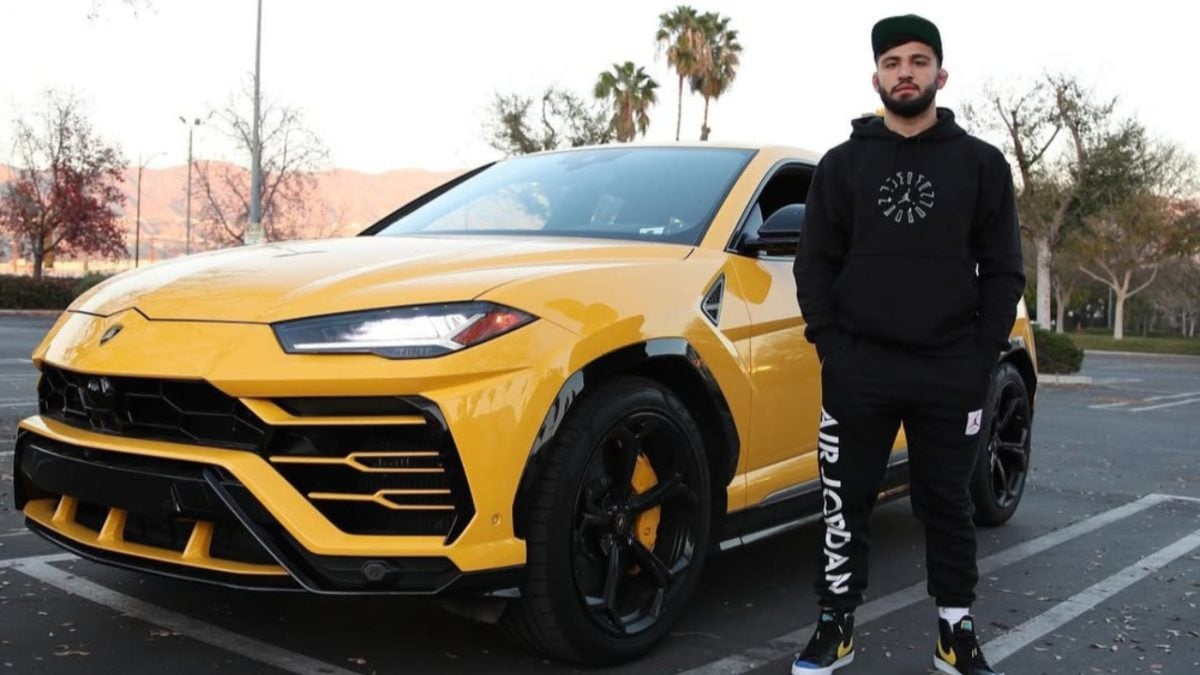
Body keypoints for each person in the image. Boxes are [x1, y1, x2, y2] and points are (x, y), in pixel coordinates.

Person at [790, 13, 1025, 675]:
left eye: (919, 61)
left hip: (949, 367)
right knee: (844, 500)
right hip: (858, 366)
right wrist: (831, 346)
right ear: (876, 76)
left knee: (947, 503)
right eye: (893, 62)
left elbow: (1004, 267)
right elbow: (815, 265)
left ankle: (956, 631)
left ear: (940, 75)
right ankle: (834, 625)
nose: (906, 73)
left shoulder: (981, 164)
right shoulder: (842, 166)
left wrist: (979, 356)